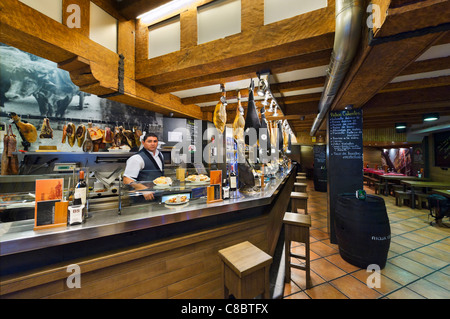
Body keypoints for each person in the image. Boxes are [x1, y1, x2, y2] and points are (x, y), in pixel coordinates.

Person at [123, 133, 164, 201]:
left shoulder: (160, 155)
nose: (152, 144)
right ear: (143, 142)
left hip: (157, 196)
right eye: (149, 141)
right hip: (142, 198)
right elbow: (126, 179)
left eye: (155, 141)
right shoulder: (137, 158)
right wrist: (143, 189)